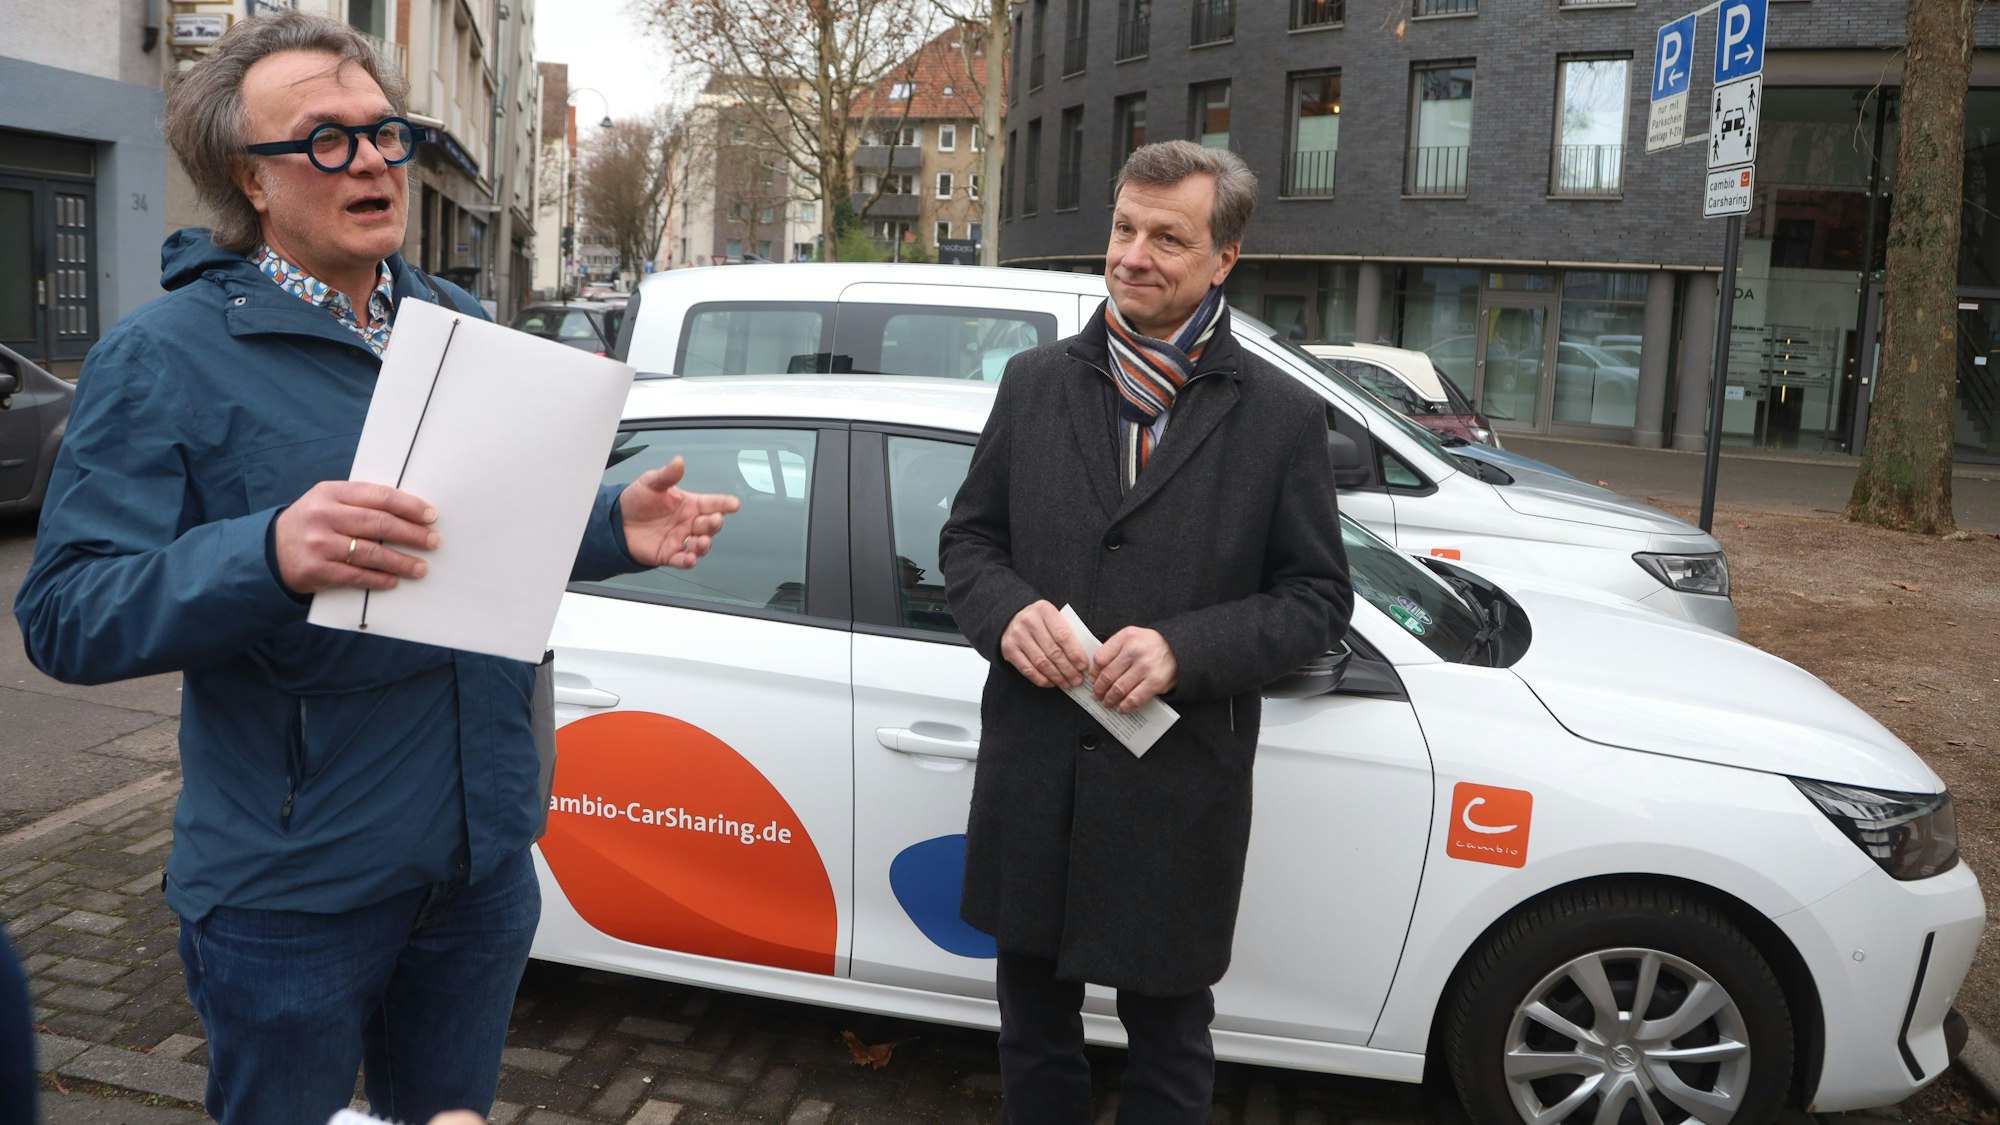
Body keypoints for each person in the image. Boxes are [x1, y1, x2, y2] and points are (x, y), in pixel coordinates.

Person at [11, 13, 738, 1124]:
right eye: (324, 141)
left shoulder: (457, 320)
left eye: (383, 132)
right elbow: (65, 615)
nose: (371, 161)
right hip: (293, 890)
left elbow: (473, 527)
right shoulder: (159, 359)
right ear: (249, 181)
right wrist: (264, 552)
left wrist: (606, 527)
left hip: (480, 862)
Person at [937, 140, 1352, 1124]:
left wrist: (1182, 650)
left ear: (1223, 259)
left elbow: (1313, 599)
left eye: (1167, 237)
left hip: (1174, 794)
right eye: (1124, 228)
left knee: (1169, 1045)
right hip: (1036, 774)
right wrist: (1004, 614)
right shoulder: (1033, 384)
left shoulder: (1280, 419)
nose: (1132, 255)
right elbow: (967, 542)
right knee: (1031, 1031)